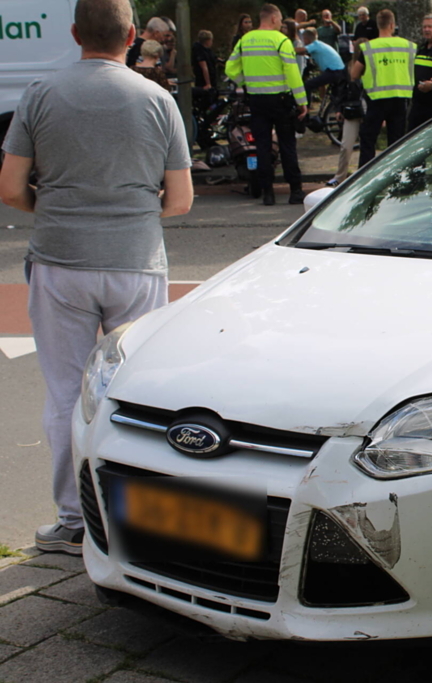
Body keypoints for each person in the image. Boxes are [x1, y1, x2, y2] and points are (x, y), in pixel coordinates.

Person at [0, 0, 192, 556]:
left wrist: (60, 207)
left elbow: (10, 188)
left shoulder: (39, 94)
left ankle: (71, 521)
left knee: (65, 394)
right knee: (132, 393)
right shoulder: (158, 100)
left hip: (60, 261)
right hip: (135, 263)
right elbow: (179, 200)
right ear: (133, 35)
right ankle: (135, 517)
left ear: (74, 33)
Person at [225, 3, 308, 205]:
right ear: (273, 18)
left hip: (256, 100)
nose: (281, 24)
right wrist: (302, 102)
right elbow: (292, 74)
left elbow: (230, 69)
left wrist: (246, 82)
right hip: (280, 100)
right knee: (287, 145)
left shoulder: (245, 40)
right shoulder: (281, 41)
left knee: (262, 146)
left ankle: (268, 193)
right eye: (280, 20)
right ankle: (295, 190)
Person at [349, 9, 416, 168]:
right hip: (400, 99)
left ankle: (365, 178)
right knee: (396, 143)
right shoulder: (409, 46)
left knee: (368, 140)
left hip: (376, 100)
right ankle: (397, 177)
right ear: (392, 25)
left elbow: (354, 73)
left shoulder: (369, 48)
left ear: (378, 25)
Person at [408, 14, 432, 130]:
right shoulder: (421, 48)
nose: (426, 30)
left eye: (430, 27)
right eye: (424, 27)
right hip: (418, 103)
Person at [325, 78, 364, 187]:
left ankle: (363, 176)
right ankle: (340, 176)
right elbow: (341, 90)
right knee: (346, 146)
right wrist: (339, 109)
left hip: (370, 110)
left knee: (367, 146)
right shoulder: (348, 69)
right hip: (352, 110)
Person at [299, 28, 346, 110]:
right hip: (338, 71)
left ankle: (306, 109)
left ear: (306, 39)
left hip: (334, 71)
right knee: (334, 94)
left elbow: (301, 50)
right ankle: (329, 109)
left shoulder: (315, 45)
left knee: (307, 85)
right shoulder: (319, 45)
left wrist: (287, 49)